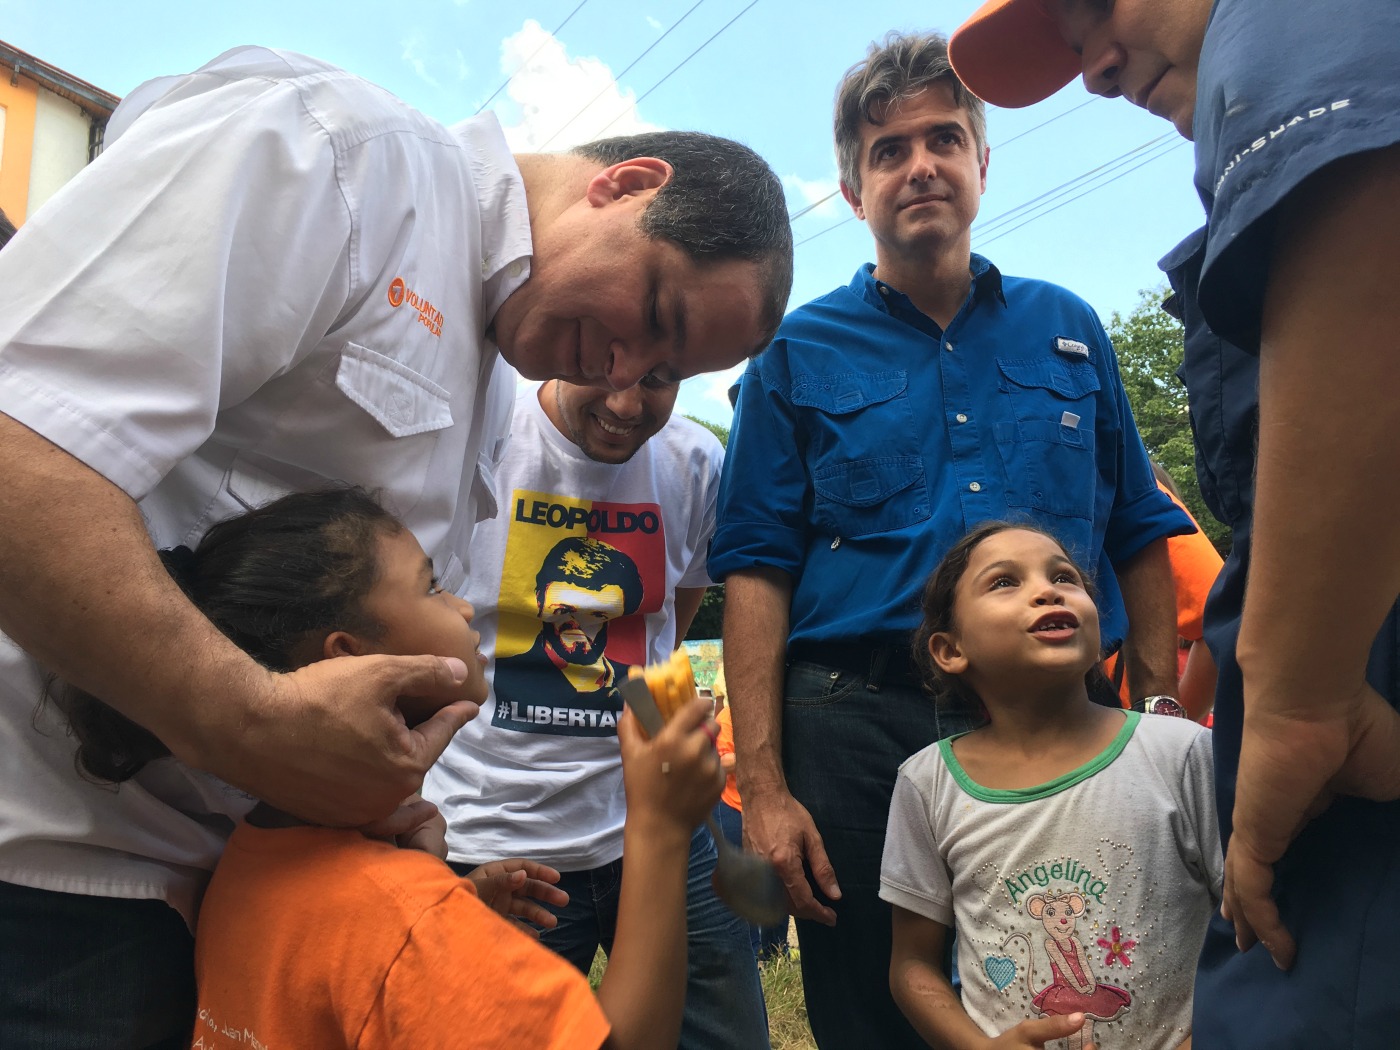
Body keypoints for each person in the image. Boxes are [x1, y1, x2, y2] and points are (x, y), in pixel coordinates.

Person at [0, 44, 792, 1046]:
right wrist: (247, 725)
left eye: (670, 367)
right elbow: (19, 440)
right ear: (626, 185)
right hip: (53, 882)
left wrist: (389, 828)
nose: (626, 374)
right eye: (654, 314)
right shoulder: (346, 159)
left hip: (224, 893)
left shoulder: (487, 356)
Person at [709, 31, 1192, 1048]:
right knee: (874, 1000)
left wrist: (1152, 710)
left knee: (1077, 978)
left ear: (980, 162)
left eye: (942, 138)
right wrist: (762, 785)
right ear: (851, 188)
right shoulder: (794, 353)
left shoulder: (1066, 329)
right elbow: (755, 567)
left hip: (1062, 719)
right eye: (887, 150)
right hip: (850, 728)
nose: (918, 164)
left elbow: (1139, 525)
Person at [948, 2, 1400, 1046]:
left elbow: (1363, 207)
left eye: (1094, 11)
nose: (1093, 69)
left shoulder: (1287, 15)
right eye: (1068, 50)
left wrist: (1294, 706)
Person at [54, 486, 723, 1049]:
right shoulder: (407, 925)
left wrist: (442, 903)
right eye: (430, 586)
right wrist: (661, 827)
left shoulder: (248, 856)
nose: (464, 607)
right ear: (351, 659)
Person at [424, 377, 769, 1049]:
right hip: (493, 846)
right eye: (606, 375)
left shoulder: (696, 463)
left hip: (671, 832)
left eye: (658, 380)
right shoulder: (478, 437)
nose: (625, 405)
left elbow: (670, 619)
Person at [882, 522, 1221, 1050]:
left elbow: (1254, 922)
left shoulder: (1182, 753)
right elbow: (912, 965)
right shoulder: (927, 785)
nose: (1047, 590)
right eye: (1003, 583)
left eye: (1065, 577)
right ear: (950, 650)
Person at [711, 666, 791, 962]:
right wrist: (756, 752)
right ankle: (749, 948)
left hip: (771, 806)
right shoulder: (727, 718)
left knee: (777, 877)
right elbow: (722, 762)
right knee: (743, 881)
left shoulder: (777, 717)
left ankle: (776, 950)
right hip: (733, 808)